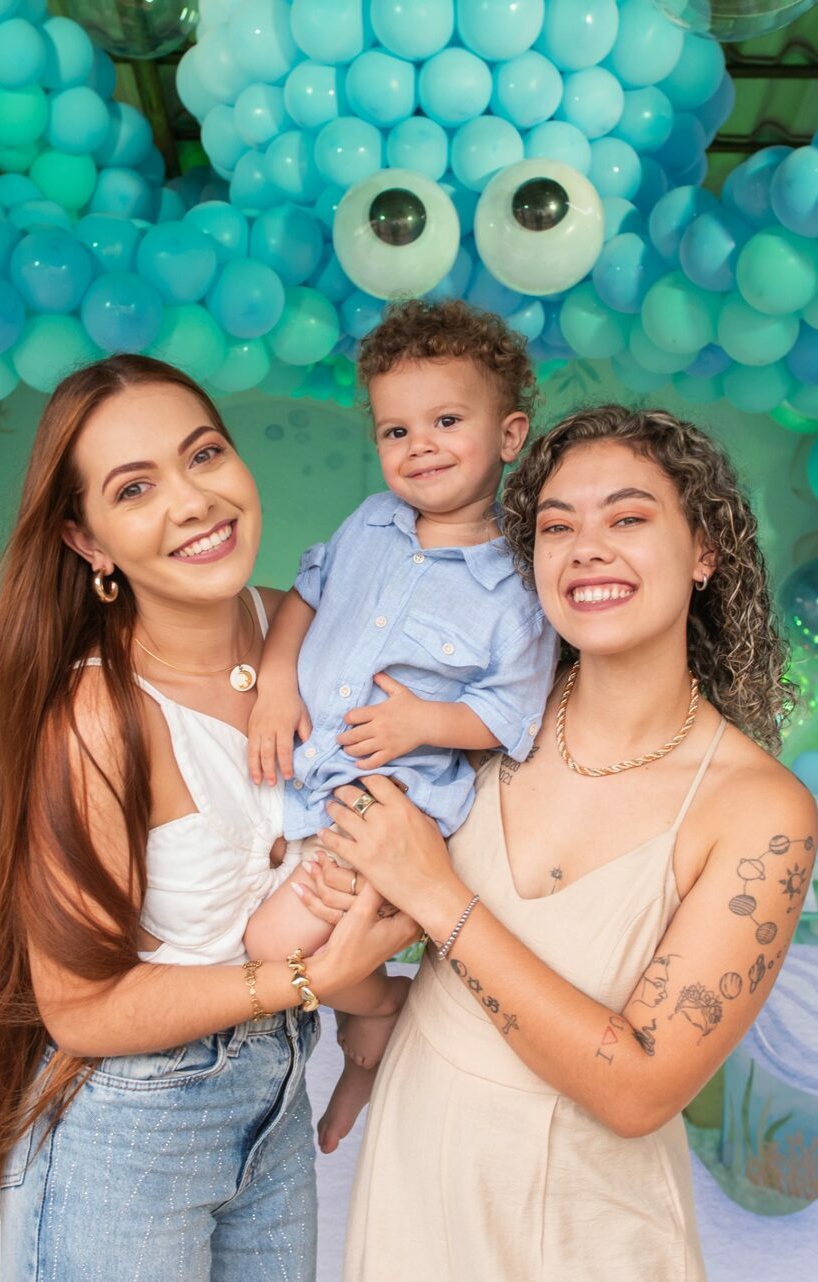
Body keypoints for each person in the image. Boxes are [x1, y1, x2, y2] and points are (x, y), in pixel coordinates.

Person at [0, 355, 415, 1280]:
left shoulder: (314, 636)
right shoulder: (99, 717)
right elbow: (80, 1010)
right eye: (135, 488)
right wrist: (317, 979)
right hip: (129, 1130)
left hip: (277, 1098)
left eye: (204, 455)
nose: (193, 502)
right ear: (88, 540)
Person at [314, 405, 818, 1280]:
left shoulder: (760, 812)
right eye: (557, 527)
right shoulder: (476, 720)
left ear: (705, 552)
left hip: (586, 1235)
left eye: (628, 518)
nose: (586, 549)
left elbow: (638, 1092)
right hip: (413, 1193)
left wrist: (435, 895)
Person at [241, 300, 560, 1150]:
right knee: (250, 915)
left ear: (509, 434)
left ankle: (385, 1003)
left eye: (447, 421)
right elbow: (305, 596)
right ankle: (364, 1057)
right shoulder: (370, 524)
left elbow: (510, 716)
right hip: (303, 779)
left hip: (385, 807)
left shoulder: (518, 587)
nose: (420, 445)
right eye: (396, 430)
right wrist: (276, 681)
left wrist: (424, 720)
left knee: (272, 945)